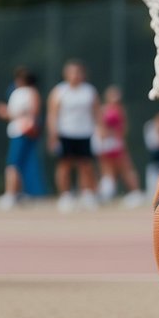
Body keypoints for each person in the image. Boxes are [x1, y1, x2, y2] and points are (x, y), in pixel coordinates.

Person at [46, 60, 101, 212]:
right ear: (66, 74)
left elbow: (97, 113)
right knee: (65, 165)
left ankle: (88, 194)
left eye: (78, 72)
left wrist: (100, 130)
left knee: (86, 165)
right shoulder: (59, 91)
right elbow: (52, 115)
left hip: (85, 133)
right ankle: (65, 196)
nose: (75, 75)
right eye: (72, 72)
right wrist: (53, 134)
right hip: (65, 132)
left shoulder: (89, 91)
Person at [0, 67, 44, 210]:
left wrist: (6, 113)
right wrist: (5, 113)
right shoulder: (17, 93)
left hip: (24, 131)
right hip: (17, 131)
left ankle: (11, 194)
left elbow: (32, 113)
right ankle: (19, 193)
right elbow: (14, 114)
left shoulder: (31, 92)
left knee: (13, 164)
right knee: (19, 164)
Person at [93, 86, 145, 206]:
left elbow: (123, 129)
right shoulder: (104, 110)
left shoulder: (120, 111)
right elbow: (102, 130)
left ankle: (135, 192)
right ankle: (106, 194)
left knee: (125, 169)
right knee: (109, 171)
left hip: (115, 144)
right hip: (106, 145)